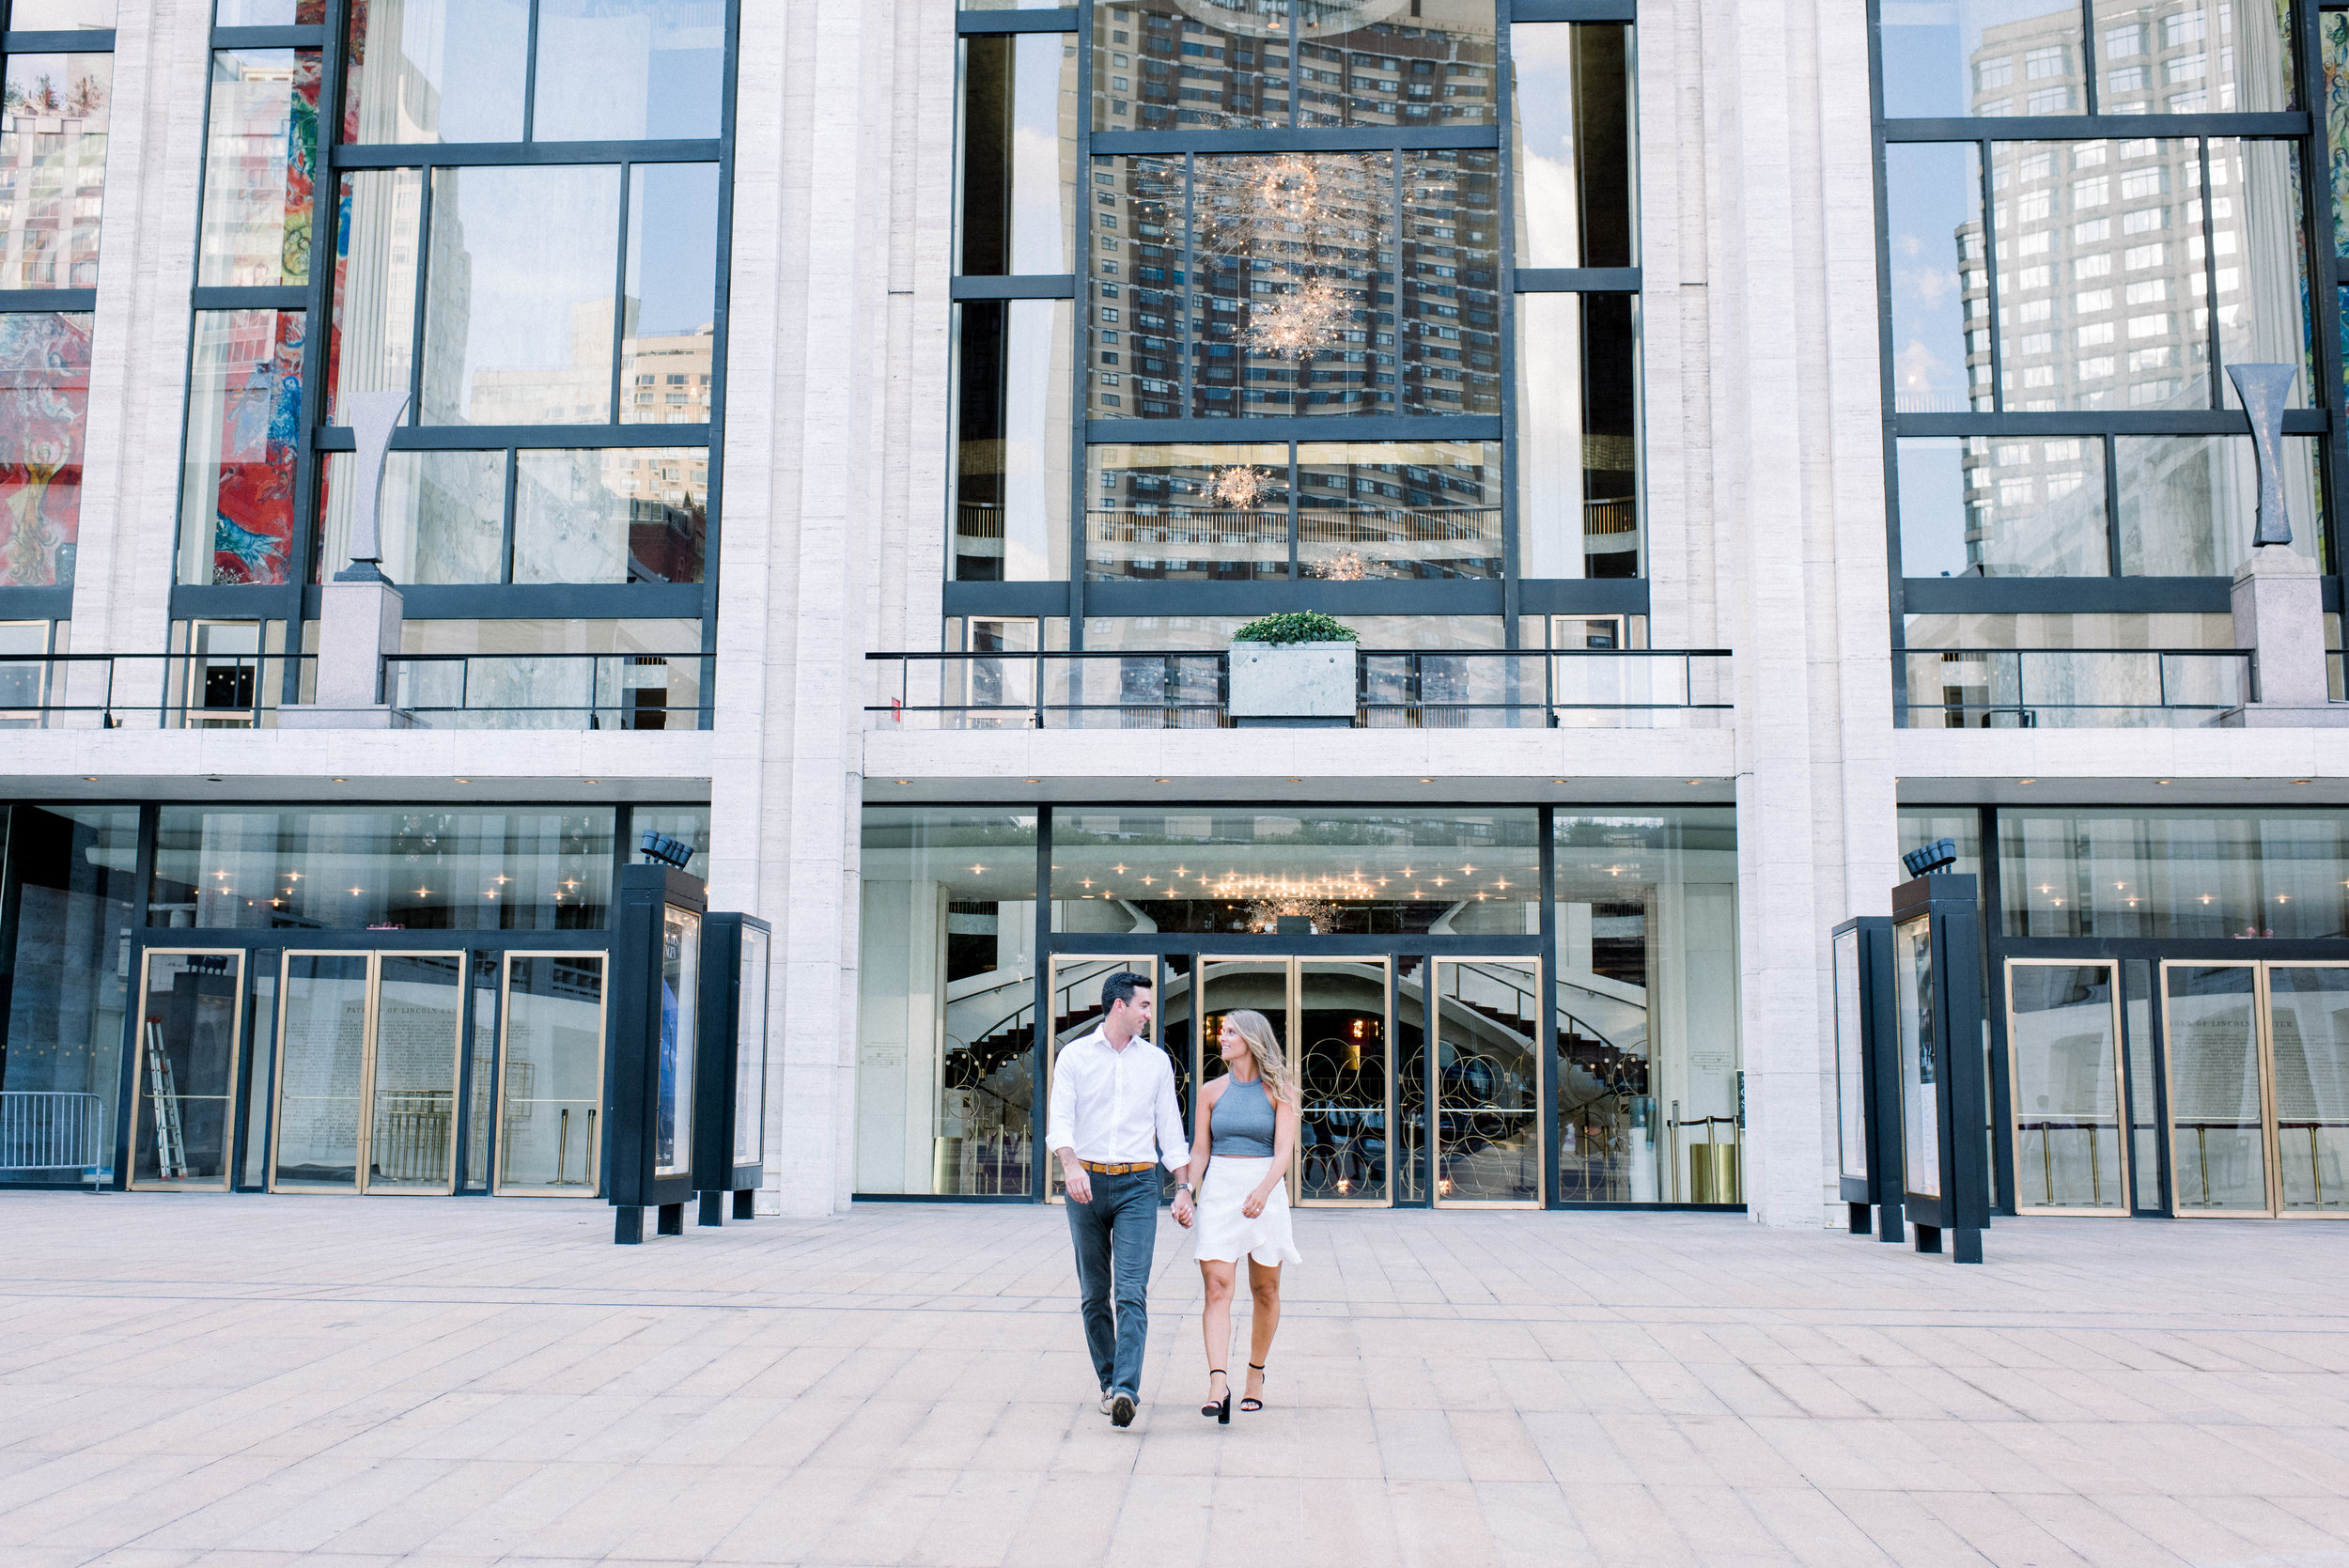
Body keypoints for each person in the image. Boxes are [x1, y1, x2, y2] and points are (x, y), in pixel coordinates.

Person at [1045, 970, 1190, 1428]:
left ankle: (1127, 1388)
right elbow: (1060, 1121)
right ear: (1120, 1006)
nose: (1150, 1014)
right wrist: (1070, 1166)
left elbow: (1170, 1129)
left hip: (1138, 1185)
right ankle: (1109, 1381)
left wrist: (1184, 1187)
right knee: (1093, 1295)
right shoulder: (1073, 1057)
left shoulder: (1156, 1062)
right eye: (1144, 1006)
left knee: (1130, 1292)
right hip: (1084, 1183)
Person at [1181, 1008, 1302, 1423]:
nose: (1222, 1036)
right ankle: (1218, 1382)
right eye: (1222, 1030)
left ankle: (1255, 1373)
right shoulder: (1211, 1091)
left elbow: (1284, 1152)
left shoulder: (1281, 1090)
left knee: (1265, 1289)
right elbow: (1200, 1149)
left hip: (1264, 1188)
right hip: (1220, 1190)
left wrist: (1264, 1190)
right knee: (1217, 1286)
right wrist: (1186, 1190)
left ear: (1252, 1039)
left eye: (1231, 1031)